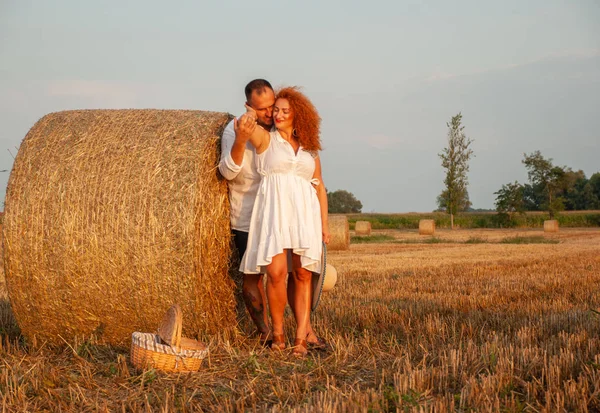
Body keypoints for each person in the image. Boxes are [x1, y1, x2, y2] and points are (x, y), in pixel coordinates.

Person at [219, 80, 325, 350]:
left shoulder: (306, 145)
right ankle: (270, 332)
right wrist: (243, 133)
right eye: (267, 110)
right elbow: (228, 170)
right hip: (258, 213)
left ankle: (303, 333)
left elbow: (319, 184)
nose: (273, 114)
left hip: (299, 215)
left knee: (300, 273)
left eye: (277, 108)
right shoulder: (251, 133)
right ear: (250, 108)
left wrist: (323, 224)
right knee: (267, 274)